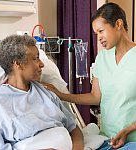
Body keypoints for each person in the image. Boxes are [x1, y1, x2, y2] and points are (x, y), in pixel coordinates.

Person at [44, 2, 136, 149]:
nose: (98, 37)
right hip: (107, 139)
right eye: (96, 33)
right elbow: (95, 96)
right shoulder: (102, 58)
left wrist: (127, 130)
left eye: (101, 31)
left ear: (118, 24)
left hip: (132, 140)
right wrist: (62, 95)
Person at [0, 34, 84, 150]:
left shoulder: (46, 92)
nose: (41, 64)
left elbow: (74, 128)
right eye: (35, 58)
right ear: (17, 63)